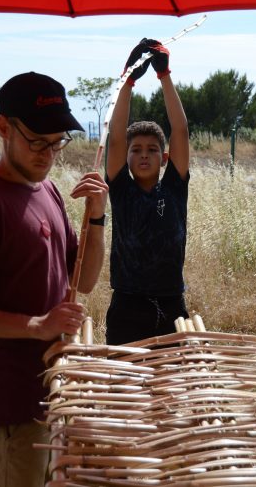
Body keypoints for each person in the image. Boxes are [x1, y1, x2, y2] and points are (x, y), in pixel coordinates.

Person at [0, 71, 109, 487]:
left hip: (53, 393)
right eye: (36, 141)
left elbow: (83, 280)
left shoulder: (46, 191)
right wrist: (37, 326)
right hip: (9, 407)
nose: (48, 154)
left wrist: (98, 216)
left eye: (56, 143)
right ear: (2, 128)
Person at [104, 38, 190, 345]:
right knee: (126, 390)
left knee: (172, 391)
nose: (143, 155)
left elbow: (180, 131)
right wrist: (127, 81)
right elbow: (115, 136)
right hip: (127, 307)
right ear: (126, 157)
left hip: (172, 307)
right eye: (136, 150)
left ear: (164, 158)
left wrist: (164, 76)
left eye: (152, 150)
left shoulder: (174, 188)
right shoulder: (121, 190)